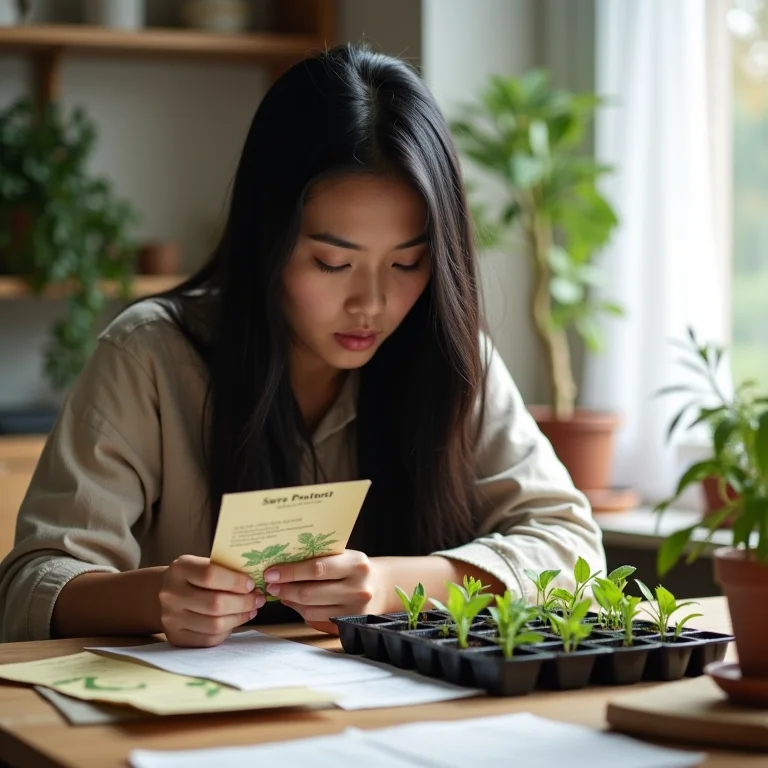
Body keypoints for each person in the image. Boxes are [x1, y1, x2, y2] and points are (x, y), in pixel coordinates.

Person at [0, 44, 605, 646]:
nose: (371, 303)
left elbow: (572, 548)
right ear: (268, 237)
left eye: (408, 262)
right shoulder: (151, 355)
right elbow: (28, 587)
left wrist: (395, 584)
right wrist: (155, 599)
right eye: (333, 262)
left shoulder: (448, 352)